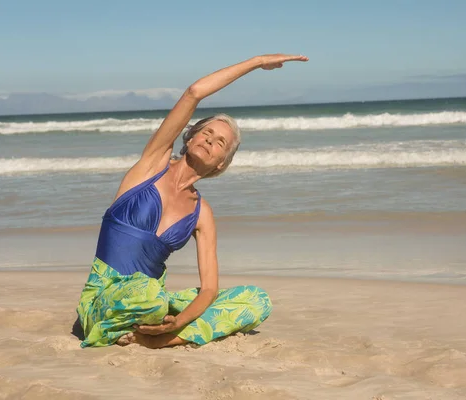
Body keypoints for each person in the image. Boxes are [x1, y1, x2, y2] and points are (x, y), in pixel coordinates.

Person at [76, 54, 309, 349]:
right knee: (149, 294)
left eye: (220, 142)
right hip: (105, 298)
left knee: (257, 299)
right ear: (189, 138)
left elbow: (209, 288)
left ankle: (161, 336)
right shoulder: (151, 166)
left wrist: (181, 318)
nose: (211, 140)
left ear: (222, 163)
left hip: (153, 303)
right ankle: (138, 333)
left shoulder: (202, 214)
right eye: (207, 132)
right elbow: (194, 93)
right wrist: (257, 62)